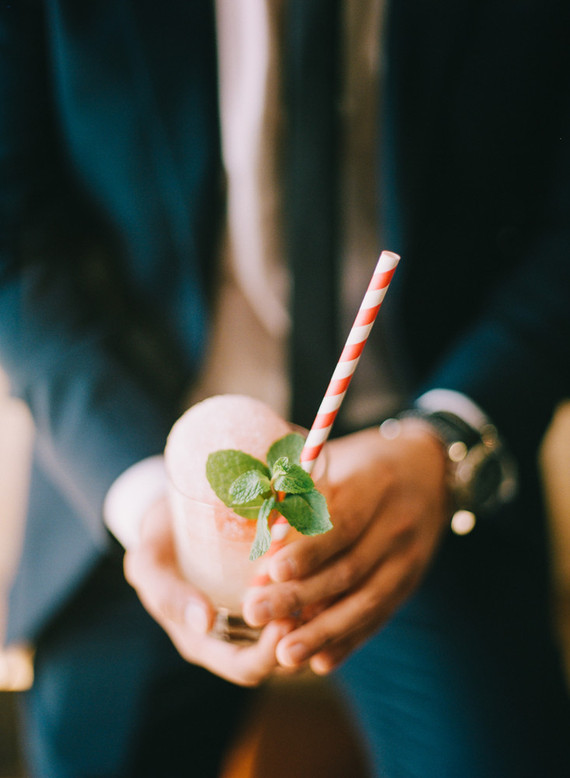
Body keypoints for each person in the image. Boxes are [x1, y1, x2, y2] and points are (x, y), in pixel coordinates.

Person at [1, 2, 569, 777]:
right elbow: (17, 232)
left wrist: (446, 443)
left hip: (416, 468)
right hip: (133, 446)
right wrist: (137, 495)